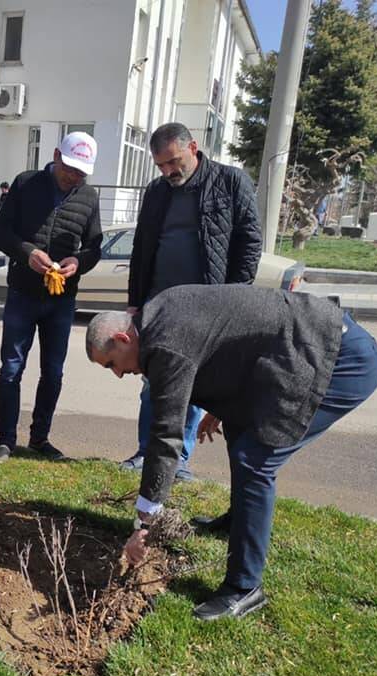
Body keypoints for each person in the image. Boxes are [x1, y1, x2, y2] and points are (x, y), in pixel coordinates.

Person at [85, 285, 377, 620]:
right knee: (242, 429)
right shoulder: (158, 313)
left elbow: (166, 436)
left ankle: (244, 588)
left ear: (124, 340)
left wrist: (144, 521)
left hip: (339, 359)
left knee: (255, 460)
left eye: (112, 364)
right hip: (297, 350)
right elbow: (226, 338)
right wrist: (223, 407)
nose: (120, 374)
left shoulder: (164, 344)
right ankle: (239, 521)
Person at [123, 122, 263, 482]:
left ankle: (179, 460)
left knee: (193, 385)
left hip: (207, 307)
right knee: (152, 383)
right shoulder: (156, 192)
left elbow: (249, 243)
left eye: (174, 161)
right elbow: (141, 249)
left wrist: (233, 300)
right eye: (161, 166)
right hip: (159, 305)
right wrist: (135, 302)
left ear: (193, 147)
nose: (169, 171)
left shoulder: (231, 182)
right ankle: (145, 452)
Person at [0, 131, 103, 465]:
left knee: (52, 372)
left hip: (61, 299)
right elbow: (2, 234)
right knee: (11, 368)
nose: (73, 176)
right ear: (55, 155)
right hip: (23, 292)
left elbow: (94, 247)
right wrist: (27, 253)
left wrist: (79, 262)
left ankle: (40, 439)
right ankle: (6, 440)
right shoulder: (25, 184)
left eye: (81, 172)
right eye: (69, 168)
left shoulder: (89, 197)